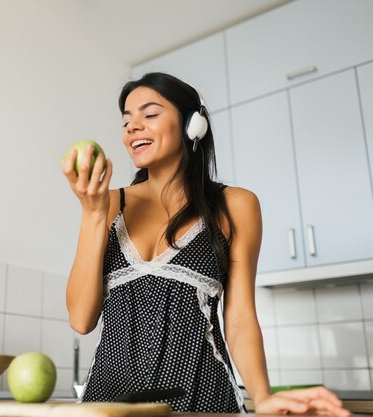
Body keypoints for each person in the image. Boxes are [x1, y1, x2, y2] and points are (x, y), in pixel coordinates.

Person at [61, 72, 351, 415]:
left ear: (192, 125)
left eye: (149, 115)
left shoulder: (237, 206)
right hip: (108, 407)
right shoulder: (107, 204)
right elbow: (81, 319)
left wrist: (263, 397)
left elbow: (240, 317)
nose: (133, 127)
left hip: (204, 402)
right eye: (127, 120)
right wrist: (93, 215)